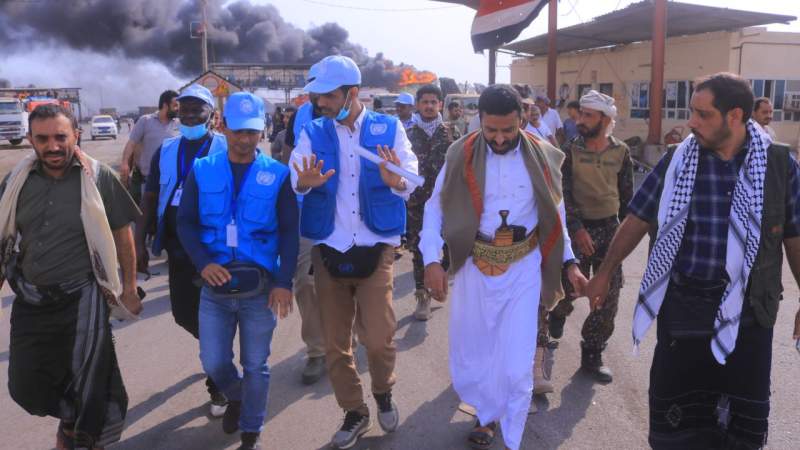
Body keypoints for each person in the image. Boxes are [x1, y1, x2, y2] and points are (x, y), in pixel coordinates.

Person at [585, 72, 800, 449]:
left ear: (734, 116)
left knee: (741, 432)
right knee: (676, 430)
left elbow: (796, 236)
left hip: (750, 315)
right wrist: (604, 272)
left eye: (703, 114)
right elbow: (637, 217)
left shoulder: (780, 166)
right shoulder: (678, 161)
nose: (691, 123)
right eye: (691, 112)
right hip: (684, 309)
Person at [421, 85, 587, 450]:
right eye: (491, 130)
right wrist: (432, 259)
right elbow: (435, 208)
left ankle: (509, 432)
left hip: (523, 269)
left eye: (507, 131)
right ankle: (486, 412)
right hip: (474, 268)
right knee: (476, 353)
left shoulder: (541, 156)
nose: (498, 139)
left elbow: (555, 213)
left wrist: (570, 262)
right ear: (479, 121)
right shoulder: (458, 155)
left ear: (522, 121)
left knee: (515, 361)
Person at [289, 55, 418, 449]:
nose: (321, 103)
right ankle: (355, 412)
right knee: (334, 344)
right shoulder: (312, 131)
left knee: (378, 340)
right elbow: (296, 175)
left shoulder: (389, 127)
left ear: (352, 93)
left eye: (328, 96)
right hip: (328, 251)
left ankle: (383, 392)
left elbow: (411, 176)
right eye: (317, 96)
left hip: (375, 249)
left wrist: (397, 181)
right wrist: (304, 183)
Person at [0, 104, 142, 450]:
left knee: (89, 377)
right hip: (32, 298)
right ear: (31, 140)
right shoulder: (15, 182)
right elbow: (3, 242)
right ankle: (74, 417)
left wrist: (129, 289)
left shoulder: (98, 177)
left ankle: (83, 433)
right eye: (43, 138)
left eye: (60, 137)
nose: (53, 146)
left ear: (75, 135)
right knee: (24, 387)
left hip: (84, 298)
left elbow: (123, 234)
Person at [177, 91, 298, 450]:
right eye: (238, 131)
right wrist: (203, 262)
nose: (245, 139)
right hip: (214, 288)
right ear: (223, 126)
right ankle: (237, 394)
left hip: (259, 289)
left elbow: (290, 231)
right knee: (213, 360)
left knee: (257, 363)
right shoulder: (203, 170)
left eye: (252, 132)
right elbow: (185, 224)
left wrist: (283, 282)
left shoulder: (277, 175)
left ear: (262, 131)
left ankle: (251, 433)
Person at [135, 84, 229, 417]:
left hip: (214, 248)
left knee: (214, 313)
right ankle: (218, 354)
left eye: (197, 111)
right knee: (183, 315)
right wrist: (139, 241)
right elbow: (149, 197)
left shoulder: (226, 148)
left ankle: (219, 381)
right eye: (184, 110)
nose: (189, 116)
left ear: (212, 116)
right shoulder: (167, 149)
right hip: (176, 246)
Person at [548, 90, 633, 384]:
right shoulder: (569, 150)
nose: (580, 119)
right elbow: (563, 193)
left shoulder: (621, 151)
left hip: (610, 229)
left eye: (588, 115)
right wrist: (576, 228)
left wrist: (623, 234)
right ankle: (557, 316)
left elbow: (628, 200)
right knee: (568, 289)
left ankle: (593, 352)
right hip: (577, 230)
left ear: (605, 119)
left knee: (608, 293)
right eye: (580, 114)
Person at [406, 84, 460, 321]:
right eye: (424, 102)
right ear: (417, 105)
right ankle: (423, 297)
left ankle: (441, 276)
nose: (428, 106)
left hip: (446, 203)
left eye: (433, 102)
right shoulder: (407, 135)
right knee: (420, 250)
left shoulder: (451, 133)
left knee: (449, 248)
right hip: (417, 203)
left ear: (440, 105)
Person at [120, 90, 180, 205]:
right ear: (165, 105)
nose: (178, 108)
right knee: (148, 216)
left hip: (171, 182)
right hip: (149, 181)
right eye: (175, 105)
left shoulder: (179, 124)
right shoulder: (145, 121)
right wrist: (125, 163)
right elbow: (131, 143)